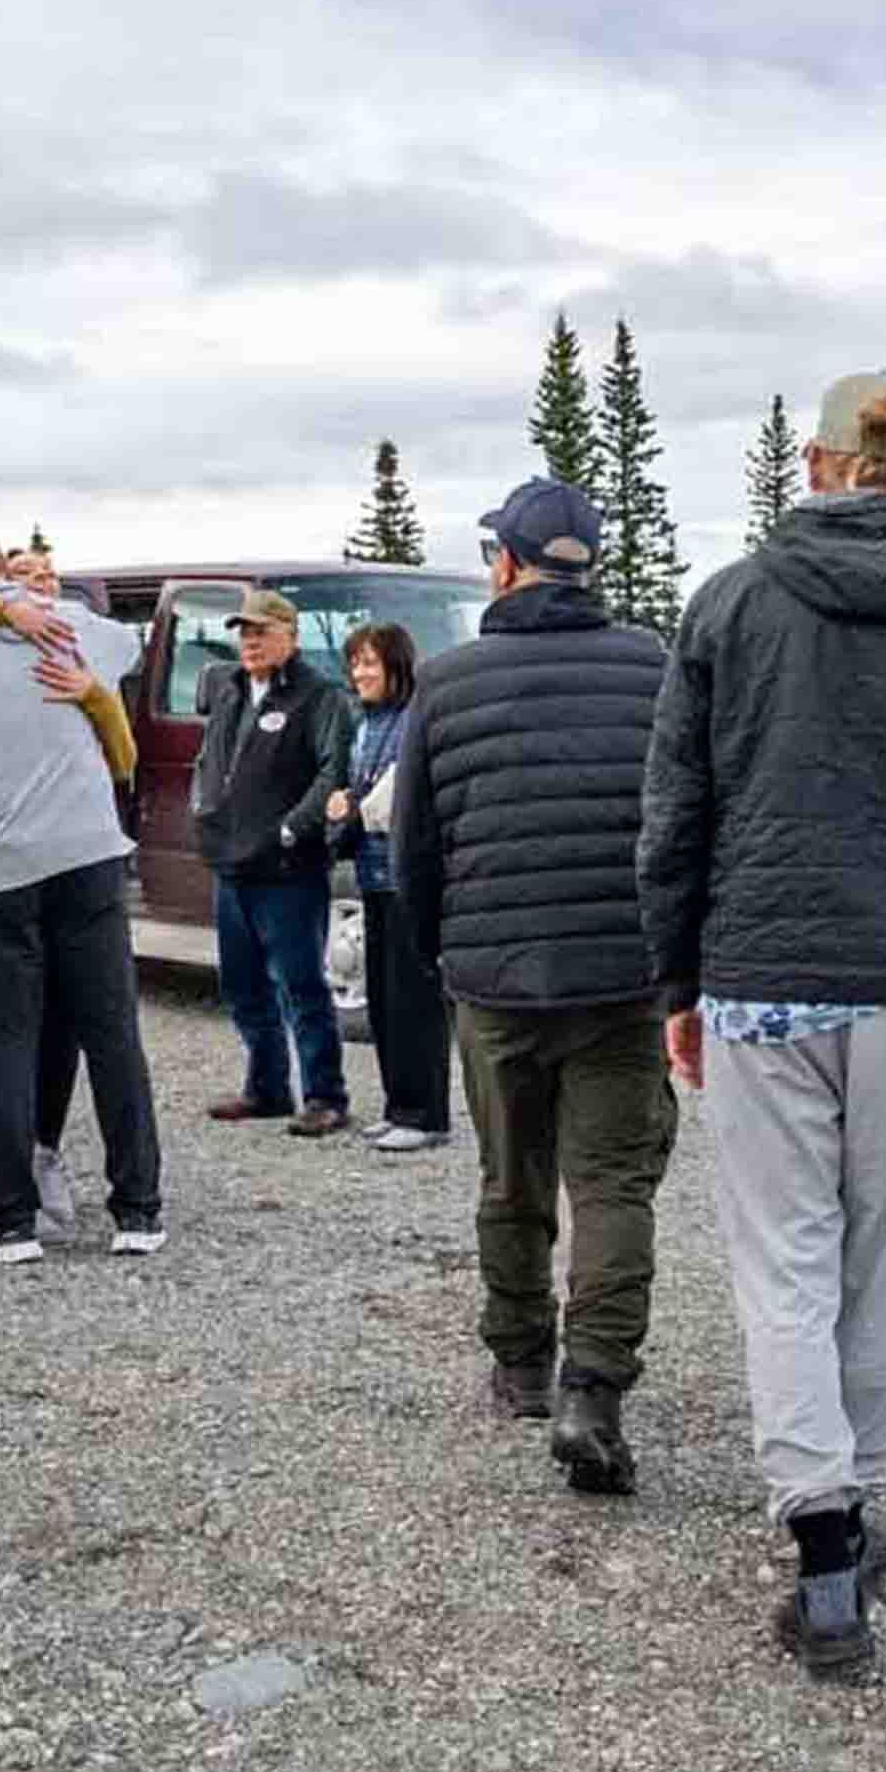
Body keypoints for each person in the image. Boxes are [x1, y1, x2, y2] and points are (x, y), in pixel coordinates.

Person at [644, 373, 886, 1682]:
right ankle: (853, 1498)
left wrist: (675, 985)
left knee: (786, 1257)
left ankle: (823, 1541)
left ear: (817, 463)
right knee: (885, 1254)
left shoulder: (731, 603)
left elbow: (678, 816)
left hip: (760, 970)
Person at [407, 478, 672, 1495]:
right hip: (621, 974)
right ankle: (592, 1388)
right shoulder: (652, 668)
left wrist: (444, 952)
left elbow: (419, 846)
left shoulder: (451, 678)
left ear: (508, 565)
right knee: (613, 1184)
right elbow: (684, 820)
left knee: (510, 1178)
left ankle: (519, 1361)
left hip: (494, 978)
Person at [0, 528, 164, 1260]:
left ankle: (12, 1219)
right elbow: (134, 647)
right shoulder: (72, 628)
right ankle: (138, 1212)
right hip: (90, 854)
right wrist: (91, 692)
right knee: (112, 1033)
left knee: (5, 1042)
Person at [192, 588, 357, 1134]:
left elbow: (333, 773)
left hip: (288, 869)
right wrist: (204, 810)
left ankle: (325, 1095)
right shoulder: (230, 690)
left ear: (291, 634)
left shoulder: (320, 697)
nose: (252, 641)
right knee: (241, 987)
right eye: (245, 631)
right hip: (231, 863)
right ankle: (266, 1089)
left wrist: (291, 829)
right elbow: (210, 758)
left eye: (262, 630)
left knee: (301, 985)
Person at [327, 621, 451, 1153]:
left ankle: (426, 1114)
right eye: (355, 663)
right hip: (371, 873)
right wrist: (344, 807)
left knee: (413, 1001)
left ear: (396, 666)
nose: (360, 673)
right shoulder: (365, 723)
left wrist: (352, 808)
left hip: (406, 876)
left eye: (370, 663)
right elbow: (361, 794)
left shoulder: (413, 719)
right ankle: (397, 1105)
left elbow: (396, 801)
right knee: (381, 999)